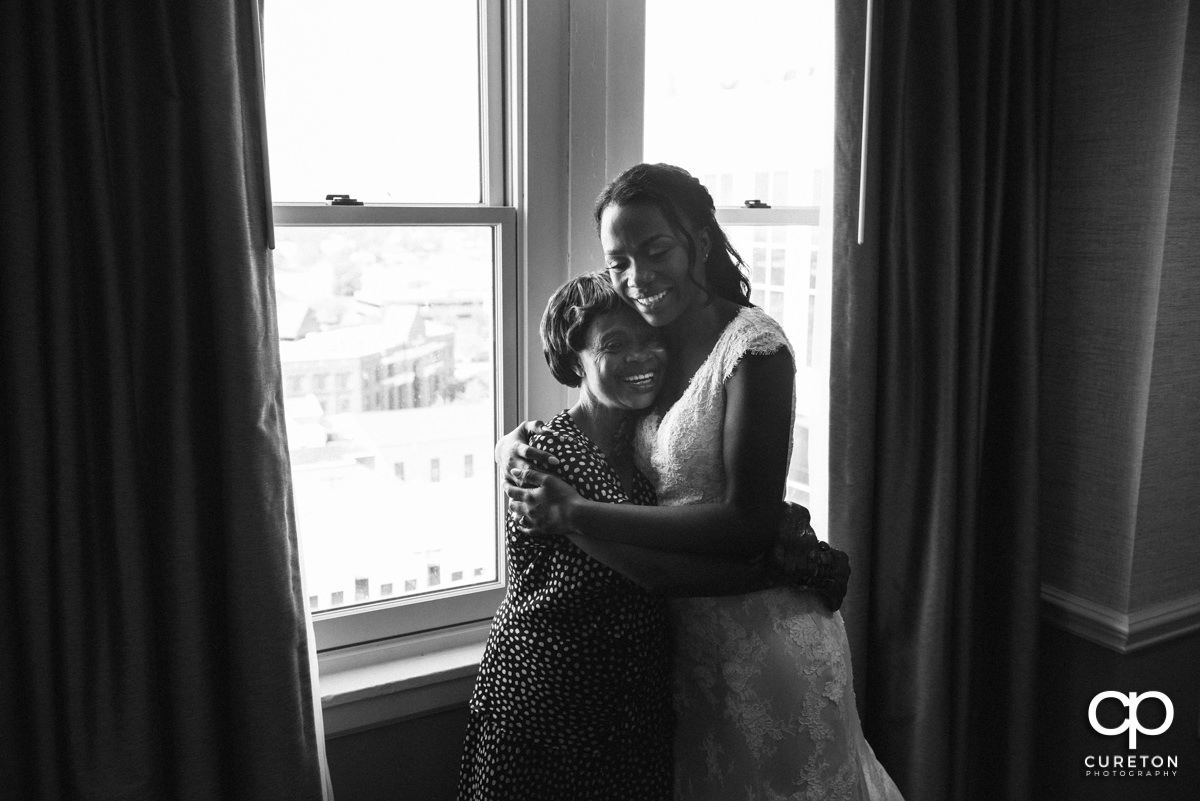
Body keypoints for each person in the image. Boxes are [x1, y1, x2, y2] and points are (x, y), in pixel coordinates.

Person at [500, 163, 904, 800]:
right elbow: (596, 397)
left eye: (656, 250)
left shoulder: (753, 347)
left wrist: (577, 514)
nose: (638, 278)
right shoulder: (650, 341)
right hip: (685, 648)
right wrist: (512, 445)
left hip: (763, 638)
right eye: (619, 262)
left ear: (700, 240)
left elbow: (745, 518)